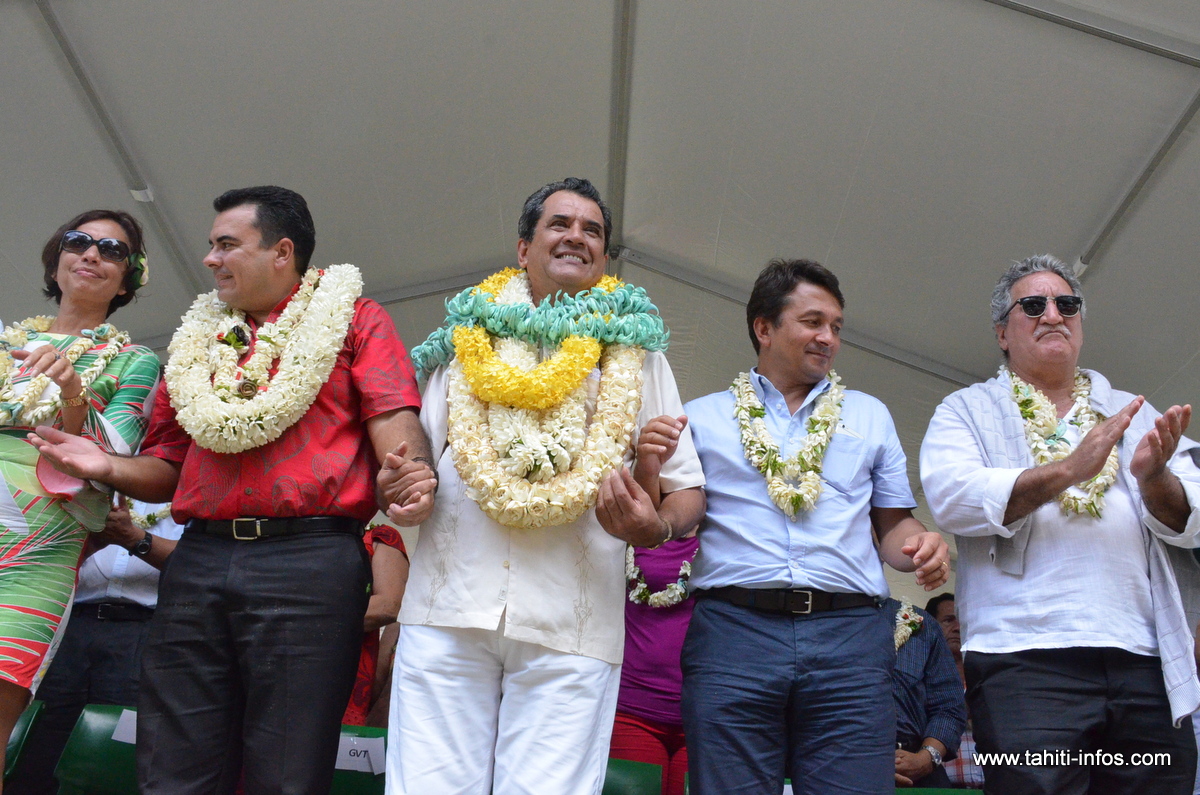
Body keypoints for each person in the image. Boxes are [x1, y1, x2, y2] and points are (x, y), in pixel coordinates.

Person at [29, 186, 436, 795]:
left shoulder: (353, 317)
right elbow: (167, 461)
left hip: (310, 561)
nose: (210, 259)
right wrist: (107, 466)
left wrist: (408, 474)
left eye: (226, 245)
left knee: (286, 771)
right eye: (211, 245)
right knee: (172, 766)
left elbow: (393, 416)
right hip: (199, 559)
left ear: (282, 252)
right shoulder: (194, 338)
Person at [389, 177, 706, 795]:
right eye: (560, 224)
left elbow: (686, 491)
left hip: (572, 623)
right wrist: (399, 485)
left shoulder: (639, 354)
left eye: (593, 231)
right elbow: (414, 460)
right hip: (449, 608)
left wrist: (656, 527)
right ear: (522, 247)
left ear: (605, 257)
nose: (576, 237)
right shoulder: (462, 342)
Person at [920, 254, 1200, 794]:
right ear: (1003, 333)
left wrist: (1152, 478)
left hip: (1144, 659)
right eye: (1034, 304)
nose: (1054, 314)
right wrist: (1070, 469)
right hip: (1021, 663)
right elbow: (953, 497)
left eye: (1067, 304)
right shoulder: (967, 410)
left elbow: (1195, 511)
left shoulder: (1135, 411)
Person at [681, 258, 950, 795]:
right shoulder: (702, 416)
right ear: (764, 328)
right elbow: (679, 514)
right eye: (812, 322)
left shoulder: (869, 414)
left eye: (837, 326)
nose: (828, 338)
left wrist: (920, 544)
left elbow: (893, 526)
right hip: (736, 631)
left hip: (849, 636)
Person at [0, 209, 158, 788]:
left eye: (112, 251)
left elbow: (108, 455)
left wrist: (71, 389)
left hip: (38, 548)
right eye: (79, 242)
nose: (92, 254)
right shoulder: (3, 342)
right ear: (57, 259)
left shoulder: (134, 359)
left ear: (128, 279)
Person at [8, 499, 181, 795]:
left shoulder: (187, 492)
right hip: (70, 623)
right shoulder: (83, 484)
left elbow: (200, 563)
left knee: (119, 738)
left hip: (145, 628)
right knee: (43, 728)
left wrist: (133, 537)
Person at [608, 418, 700, 795]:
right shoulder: (638, 533)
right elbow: (642, 507)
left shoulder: (729, 542)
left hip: (702, 714)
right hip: (632, 708)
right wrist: (649, 460)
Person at [884, 597, 967, 787]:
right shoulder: (817, 613)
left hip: (917, 768)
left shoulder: (920, 621)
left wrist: (926, 758)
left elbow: (950, 707)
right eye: (949, 620)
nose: (957, 628)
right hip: (837, 766)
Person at [924, 592, 985, 789]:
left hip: (990, 786)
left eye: (963, 621)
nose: (958, 628)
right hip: (940, 787)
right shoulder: (918, 681)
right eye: (949, 620)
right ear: (930, 626)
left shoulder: (989, 676)